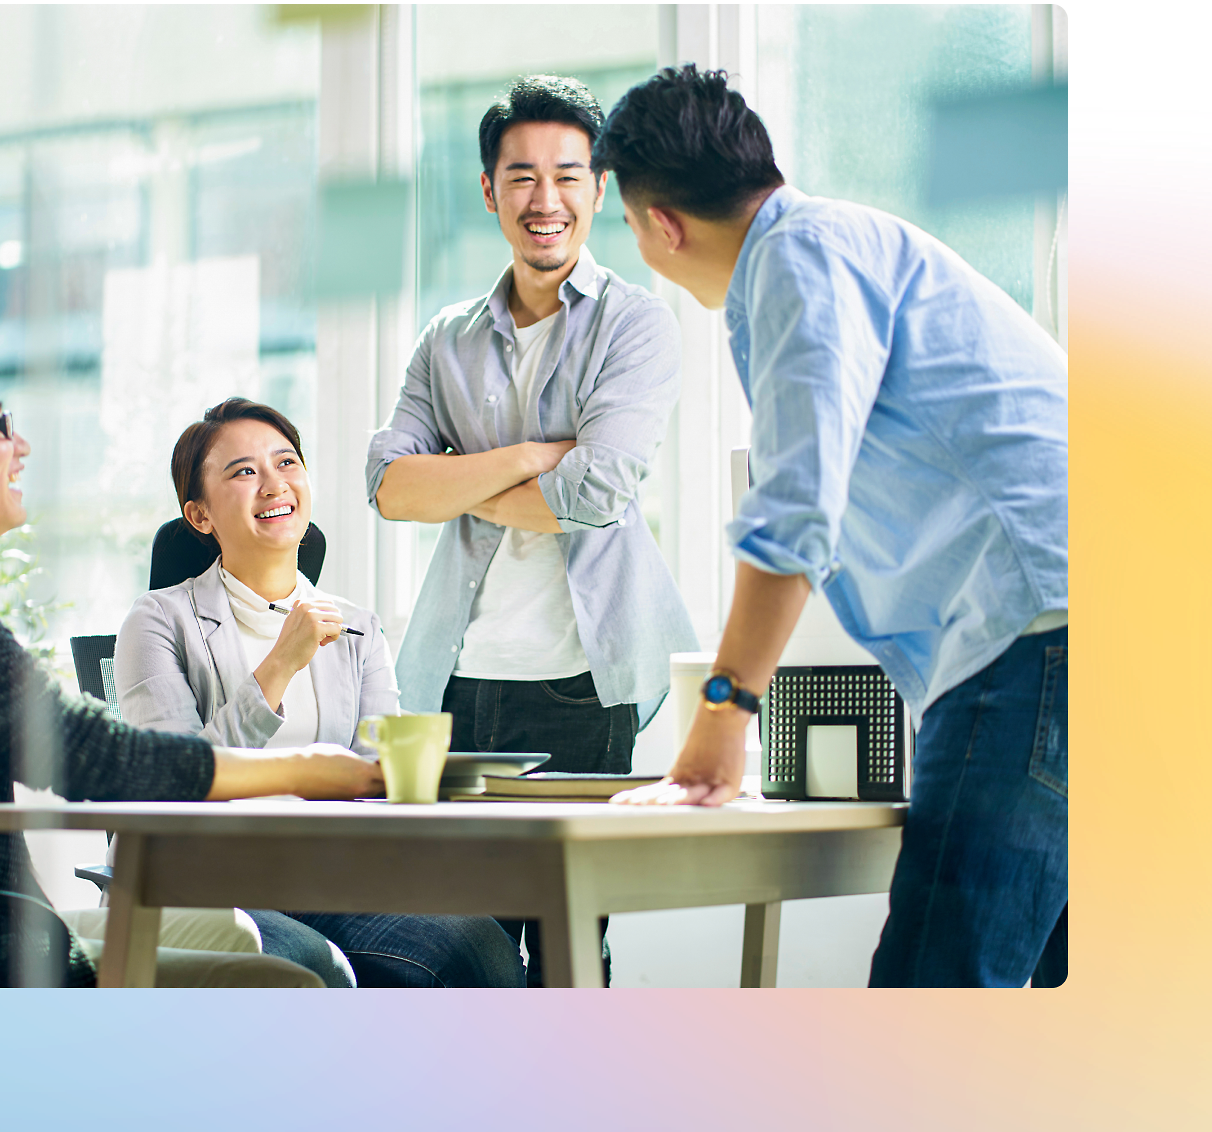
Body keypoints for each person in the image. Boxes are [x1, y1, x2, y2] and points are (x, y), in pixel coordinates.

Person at [598, 65, 1068, 988]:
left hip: (1039, 636)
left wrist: (725, 713)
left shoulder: (795, 260)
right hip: (1075, 622)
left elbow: (796, 503)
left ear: (661, 224)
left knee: (936, 999)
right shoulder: (845, 242)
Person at [0, 325, 382, 988]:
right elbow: (105, 760)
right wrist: (311, 768)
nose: (21, 447)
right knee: (294, 980)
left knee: (274, 952)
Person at [365, 74, 698, 986]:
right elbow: (390, 490)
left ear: (599, 190)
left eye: (567, 176)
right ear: (488, 191)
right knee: (452, 940)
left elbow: (597, 489)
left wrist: (457, 479)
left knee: (566, 936)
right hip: (456, 674)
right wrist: (529, 457)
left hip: (587, 680)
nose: (544, 201)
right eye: (521, 177)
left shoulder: (635, 324)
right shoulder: (447, 339)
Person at [114, 397, 525, 988]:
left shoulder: (357, 626)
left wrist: (432, 782)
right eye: (244, 471)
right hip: (209, 884)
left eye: (286, 463)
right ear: (199, 515)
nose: (274, 484)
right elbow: (174, 783)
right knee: (313, 968)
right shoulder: (157, 621)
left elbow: (380, 773)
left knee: (480, 947)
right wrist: (282, 662)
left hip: (330, 877)